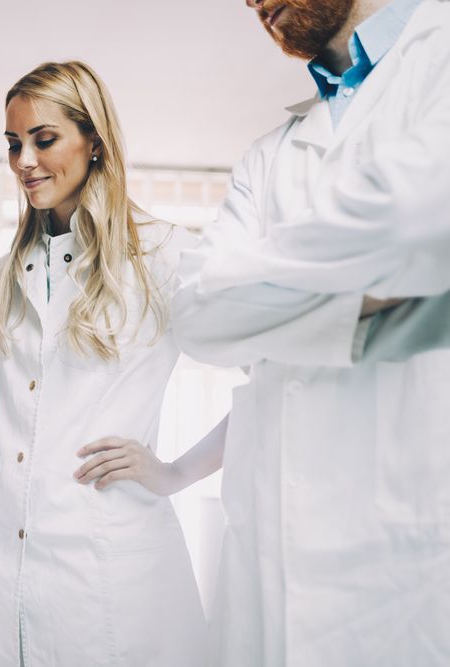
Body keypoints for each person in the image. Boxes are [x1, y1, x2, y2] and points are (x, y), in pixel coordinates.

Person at [171, 0, 450, 664]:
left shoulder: (438, 53)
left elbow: (417, 217)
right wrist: (377, 294)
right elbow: (195, 315)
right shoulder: (267, 155)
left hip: (410, 559)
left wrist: (262, 295)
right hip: (270, 567)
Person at [0, 61, 218, 667]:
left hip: (113, 573)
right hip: (6, 566)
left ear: (94, 141)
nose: (24, 160)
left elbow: (268, 375)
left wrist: (174, 473)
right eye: (13, 144)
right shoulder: (5, 274)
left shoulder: (164, 255)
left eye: (44, 140)